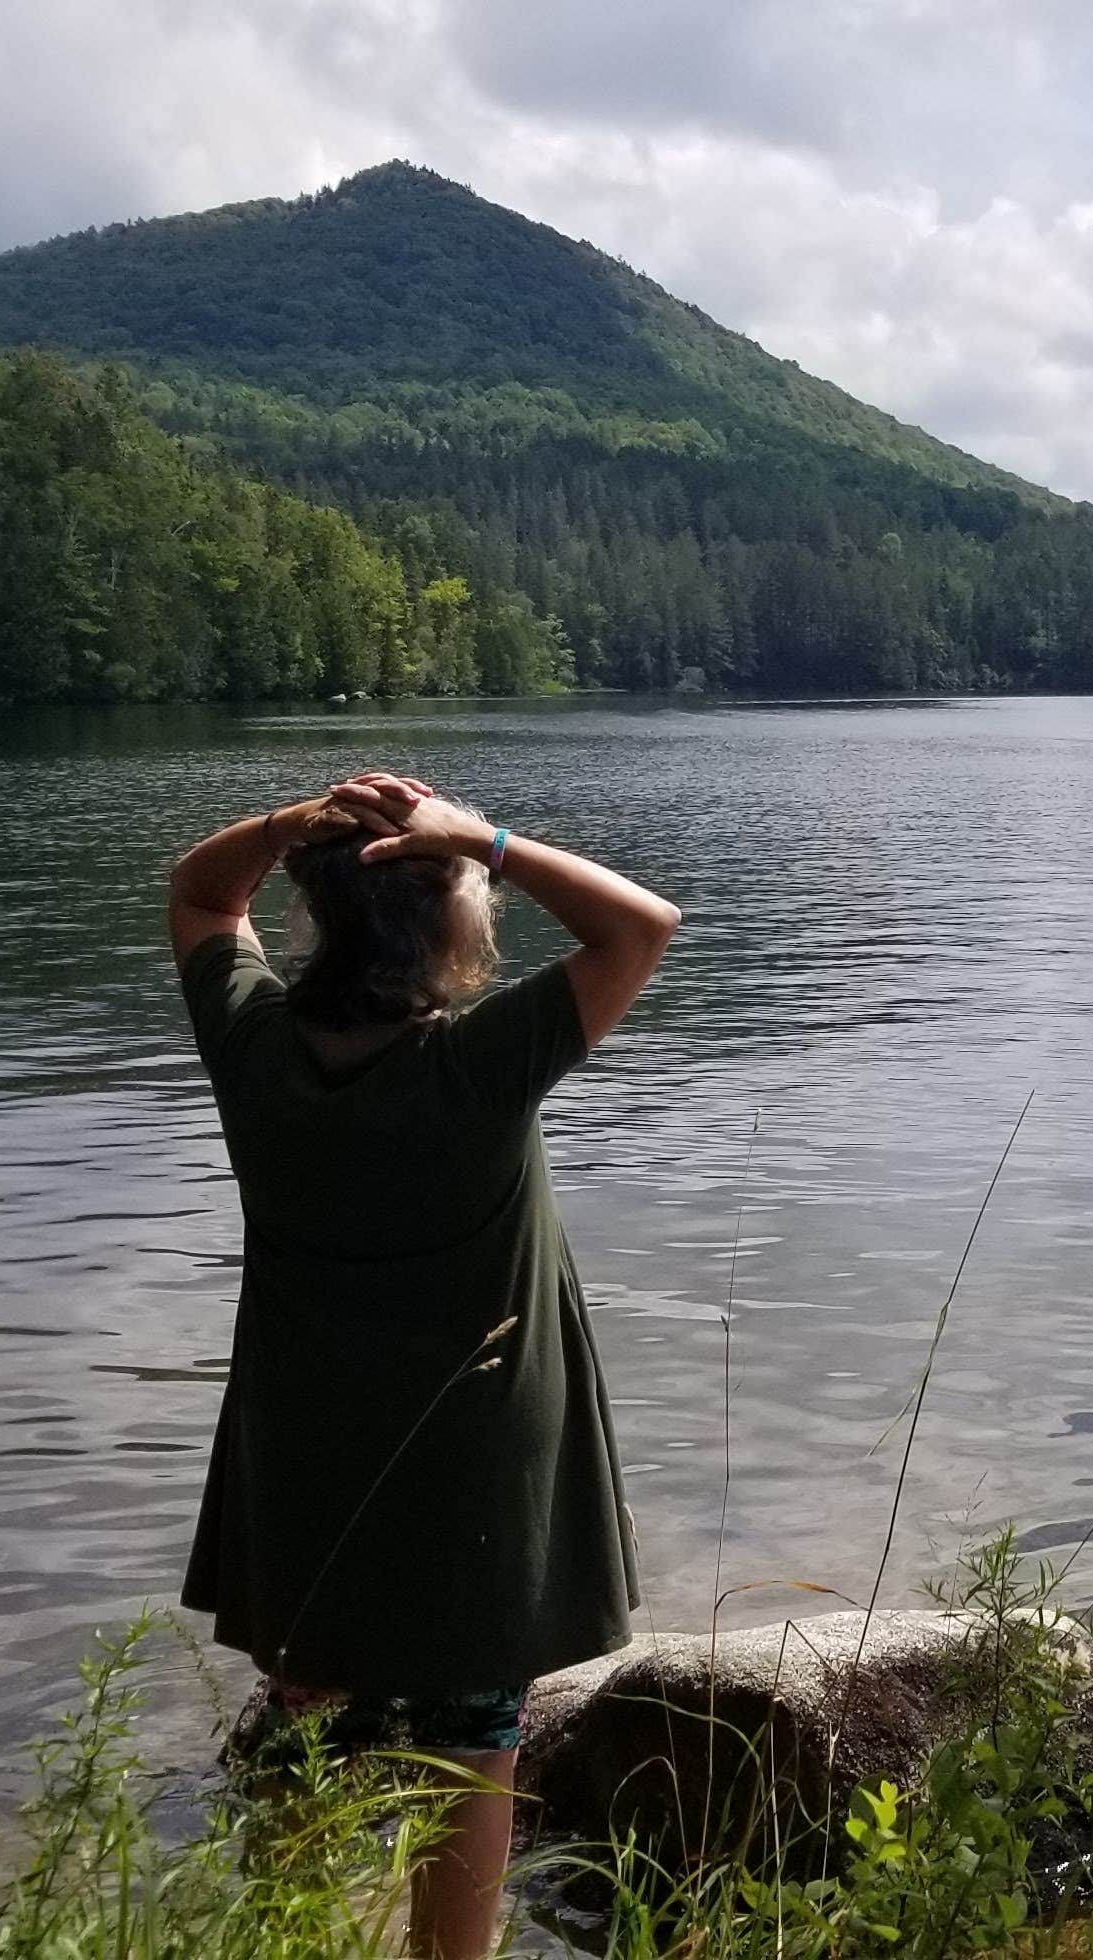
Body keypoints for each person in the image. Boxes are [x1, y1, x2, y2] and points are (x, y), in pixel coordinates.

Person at [164, 771, 682, 1959]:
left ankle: (286, 1935)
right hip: (470, 1476)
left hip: (302, 1462)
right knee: (467, 1749)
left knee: (302, 1722)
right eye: (471, 893)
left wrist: (291, 827)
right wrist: (488, 837)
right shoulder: (478, 1065)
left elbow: (200, 892)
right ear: (448, 920)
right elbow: (640, 924)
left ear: (321, 919)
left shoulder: (253, 1047)